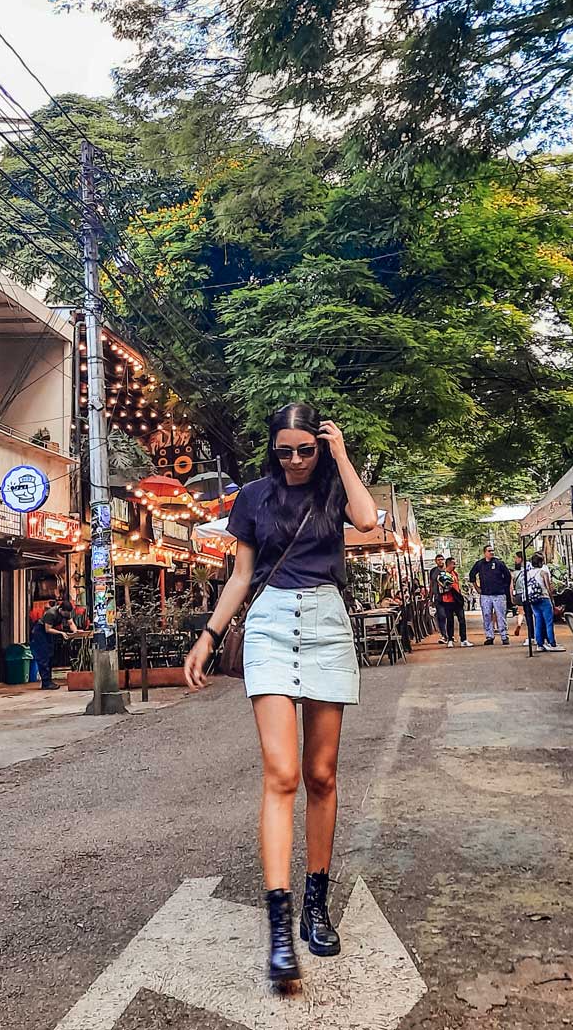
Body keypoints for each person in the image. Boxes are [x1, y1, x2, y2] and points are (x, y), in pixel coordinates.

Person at [185, 403, 378, 985]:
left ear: (319, 448)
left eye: (305, 450)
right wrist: (209, 634)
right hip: (269, 626)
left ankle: (316, 905)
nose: (294, 461)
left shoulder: (333, 490)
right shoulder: (253, 498)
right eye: (284, 450)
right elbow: (241, 577)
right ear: (272, 448)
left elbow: (368, 520)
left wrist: (341, 456)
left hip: (325, 623)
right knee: (282, 774)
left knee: (322, 774)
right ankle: (279, 923)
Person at [30, 593, 76, 691]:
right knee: (43, 656)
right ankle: (46, 682)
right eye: (65, 614)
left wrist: (75, 632)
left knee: (50, 654)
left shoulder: (66, 613)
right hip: (41, 631)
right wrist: (61, 633)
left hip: (50, 632)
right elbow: (47, 629)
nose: (67, 616)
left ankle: (48, 681)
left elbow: (71, 623)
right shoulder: (51, 613)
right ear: (61, 610)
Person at [469, 546, 512, 645]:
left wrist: (504, 588)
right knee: (487, 615)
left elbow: (507, 576)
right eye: (489, 551)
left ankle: (504, 636)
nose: (491, 552)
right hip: (485, 594)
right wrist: (477, 587)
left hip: (499, 594)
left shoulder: (499, 563)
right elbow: (472, 575)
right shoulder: (479, 564)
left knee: (501, 615)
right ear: (484, 553)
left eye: (492, 550)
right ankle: (489, 636)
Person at [526, 553, 559, 650]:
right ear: (541, 562)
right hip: (544, 598)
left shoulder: (528, 573)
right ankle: (551, 642)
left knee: (538, 621)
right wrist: (552, 600)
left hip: (533, 599)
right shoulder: (543, 573)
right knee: (548, 622)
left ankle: (539, 644)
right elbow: (548, 588)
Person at [439, 558, 471, 646]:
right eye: (453, 564)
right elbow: (441, 588)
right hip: (448, 600)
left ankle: (463, 639)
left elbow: (457, 586)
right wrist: (447, 588)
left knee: (462, 619)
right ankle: (450, 639)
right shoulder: (443, 575)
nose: (455, 565)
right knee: (450, 620)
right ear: (449, 564)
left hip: (457, 600)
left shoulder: (455, 573)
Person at [428, 553, 450, 643]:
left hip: (448, 596)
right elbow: (431, 584)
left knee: (448, 615)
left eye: (442, 559)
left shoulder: (447, 570)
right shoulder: (433, 571)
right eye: (438, 560)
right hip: (438, 597)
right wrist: (430, 597)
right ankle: (444, 635)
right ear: (436, 561)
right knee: (441, 615)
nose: (440, 561)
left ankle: (449, 634)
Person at [510, 551, 528, 639]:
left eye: (516, 557)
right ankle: (531, 630)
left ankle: (519, 624)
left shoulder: (514, 573)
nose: (515, 559)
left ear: (520, 559)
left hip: (518, 594)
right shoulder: (527, 571)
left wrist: (511, 596)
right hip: (527, 594)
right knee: (529, 612)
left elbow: (511, 587)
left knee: (520, 612)